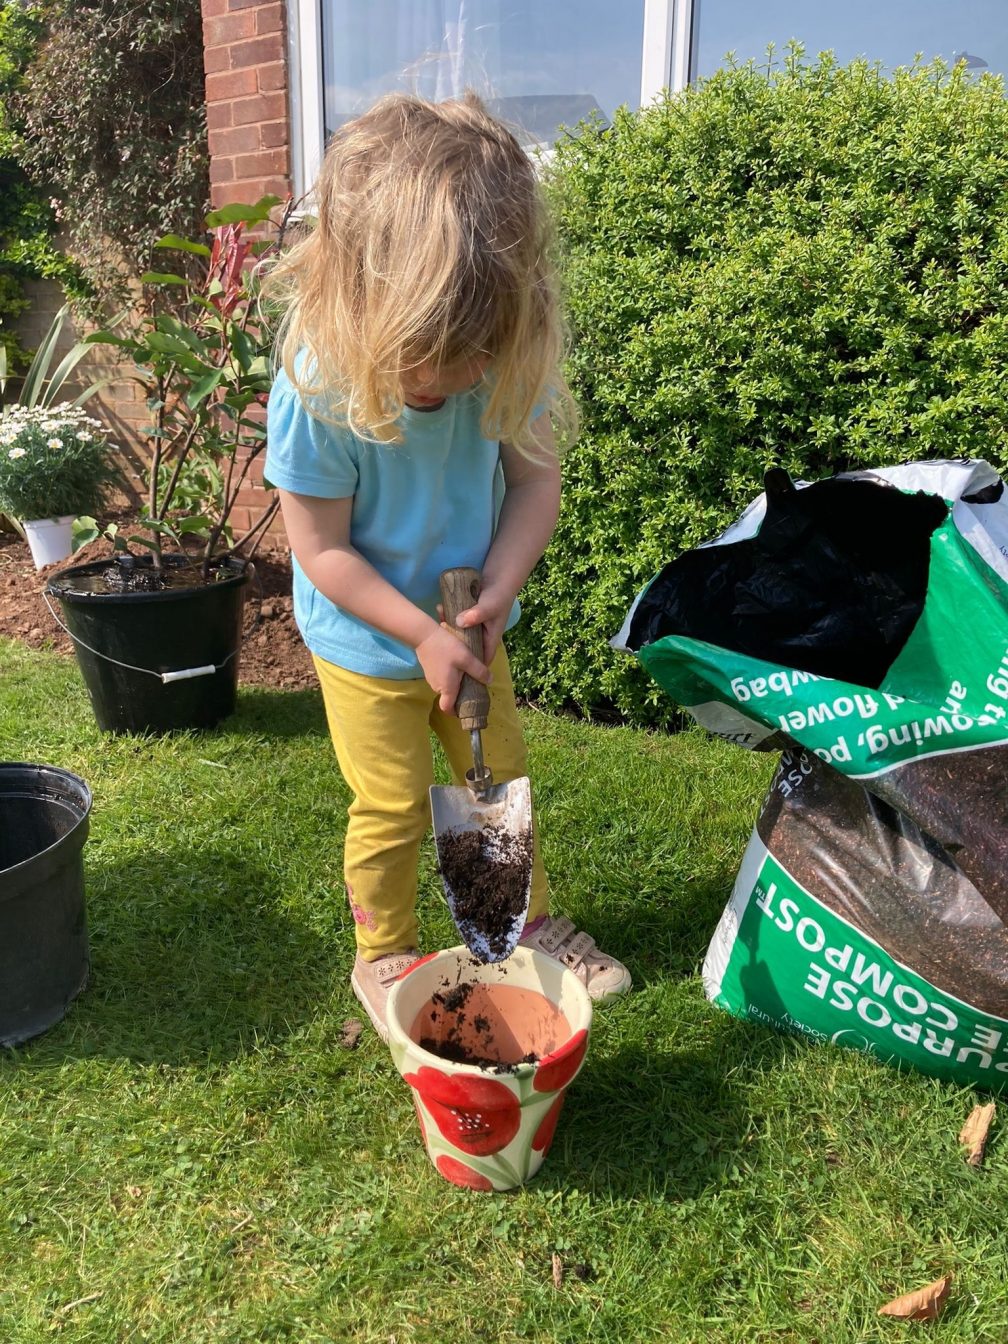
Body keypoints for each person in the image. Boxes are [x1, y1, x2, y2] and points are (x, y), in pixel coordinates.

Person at [263, 91, 631, 1041]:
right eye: (424, 360)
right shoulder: (319, 381)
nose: (447, 380)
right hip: (363, 635)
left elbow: (532, 489)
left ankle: (519, 927)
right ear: (360, 301)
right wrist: (419, 632)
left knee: (494, 779)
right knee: (386, 800)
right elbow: (321, 549)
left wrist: (496, 589)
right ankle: (382, 948)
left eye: (468, 357)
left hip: (466, 627)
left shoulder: (508, 349)